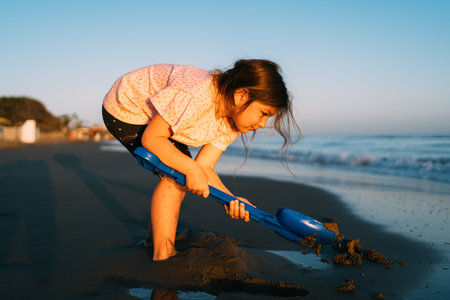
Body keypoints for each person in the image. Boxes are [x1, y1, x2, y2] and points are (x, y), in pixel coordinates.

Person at [102, 59, 299, 261]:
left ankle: (155, 240)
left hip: (159, 121)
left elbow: (204, 166)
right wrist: (190, 168)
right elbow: (152, 138)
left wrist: (231, 200)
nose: (263, 124)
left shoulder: (232, 122)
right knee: (176, 176)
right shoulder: (195, 95)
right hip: (128, 106)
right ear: (241, 95)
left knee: (182, 172)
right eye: (263, 113)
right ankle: (163, 254)